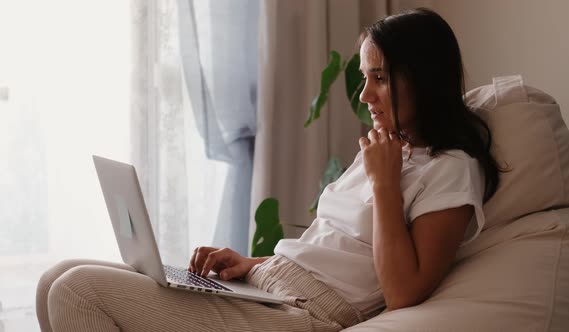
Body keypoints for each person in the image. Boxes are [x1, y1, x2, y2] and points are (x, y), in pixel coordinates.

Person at [36, 7, 501, 332]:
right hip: (269, 284)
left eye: (379, 78)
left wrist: (385, 186)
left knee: (76, 292)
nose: (364, 95)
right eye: (365, 78)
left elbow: (402, 293)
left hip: (304, 317)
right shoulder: (385, 148)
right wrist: (251, 263)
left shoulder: (450, 170)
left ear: (421, 78)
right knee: (54, 278)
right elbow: (331, 249)